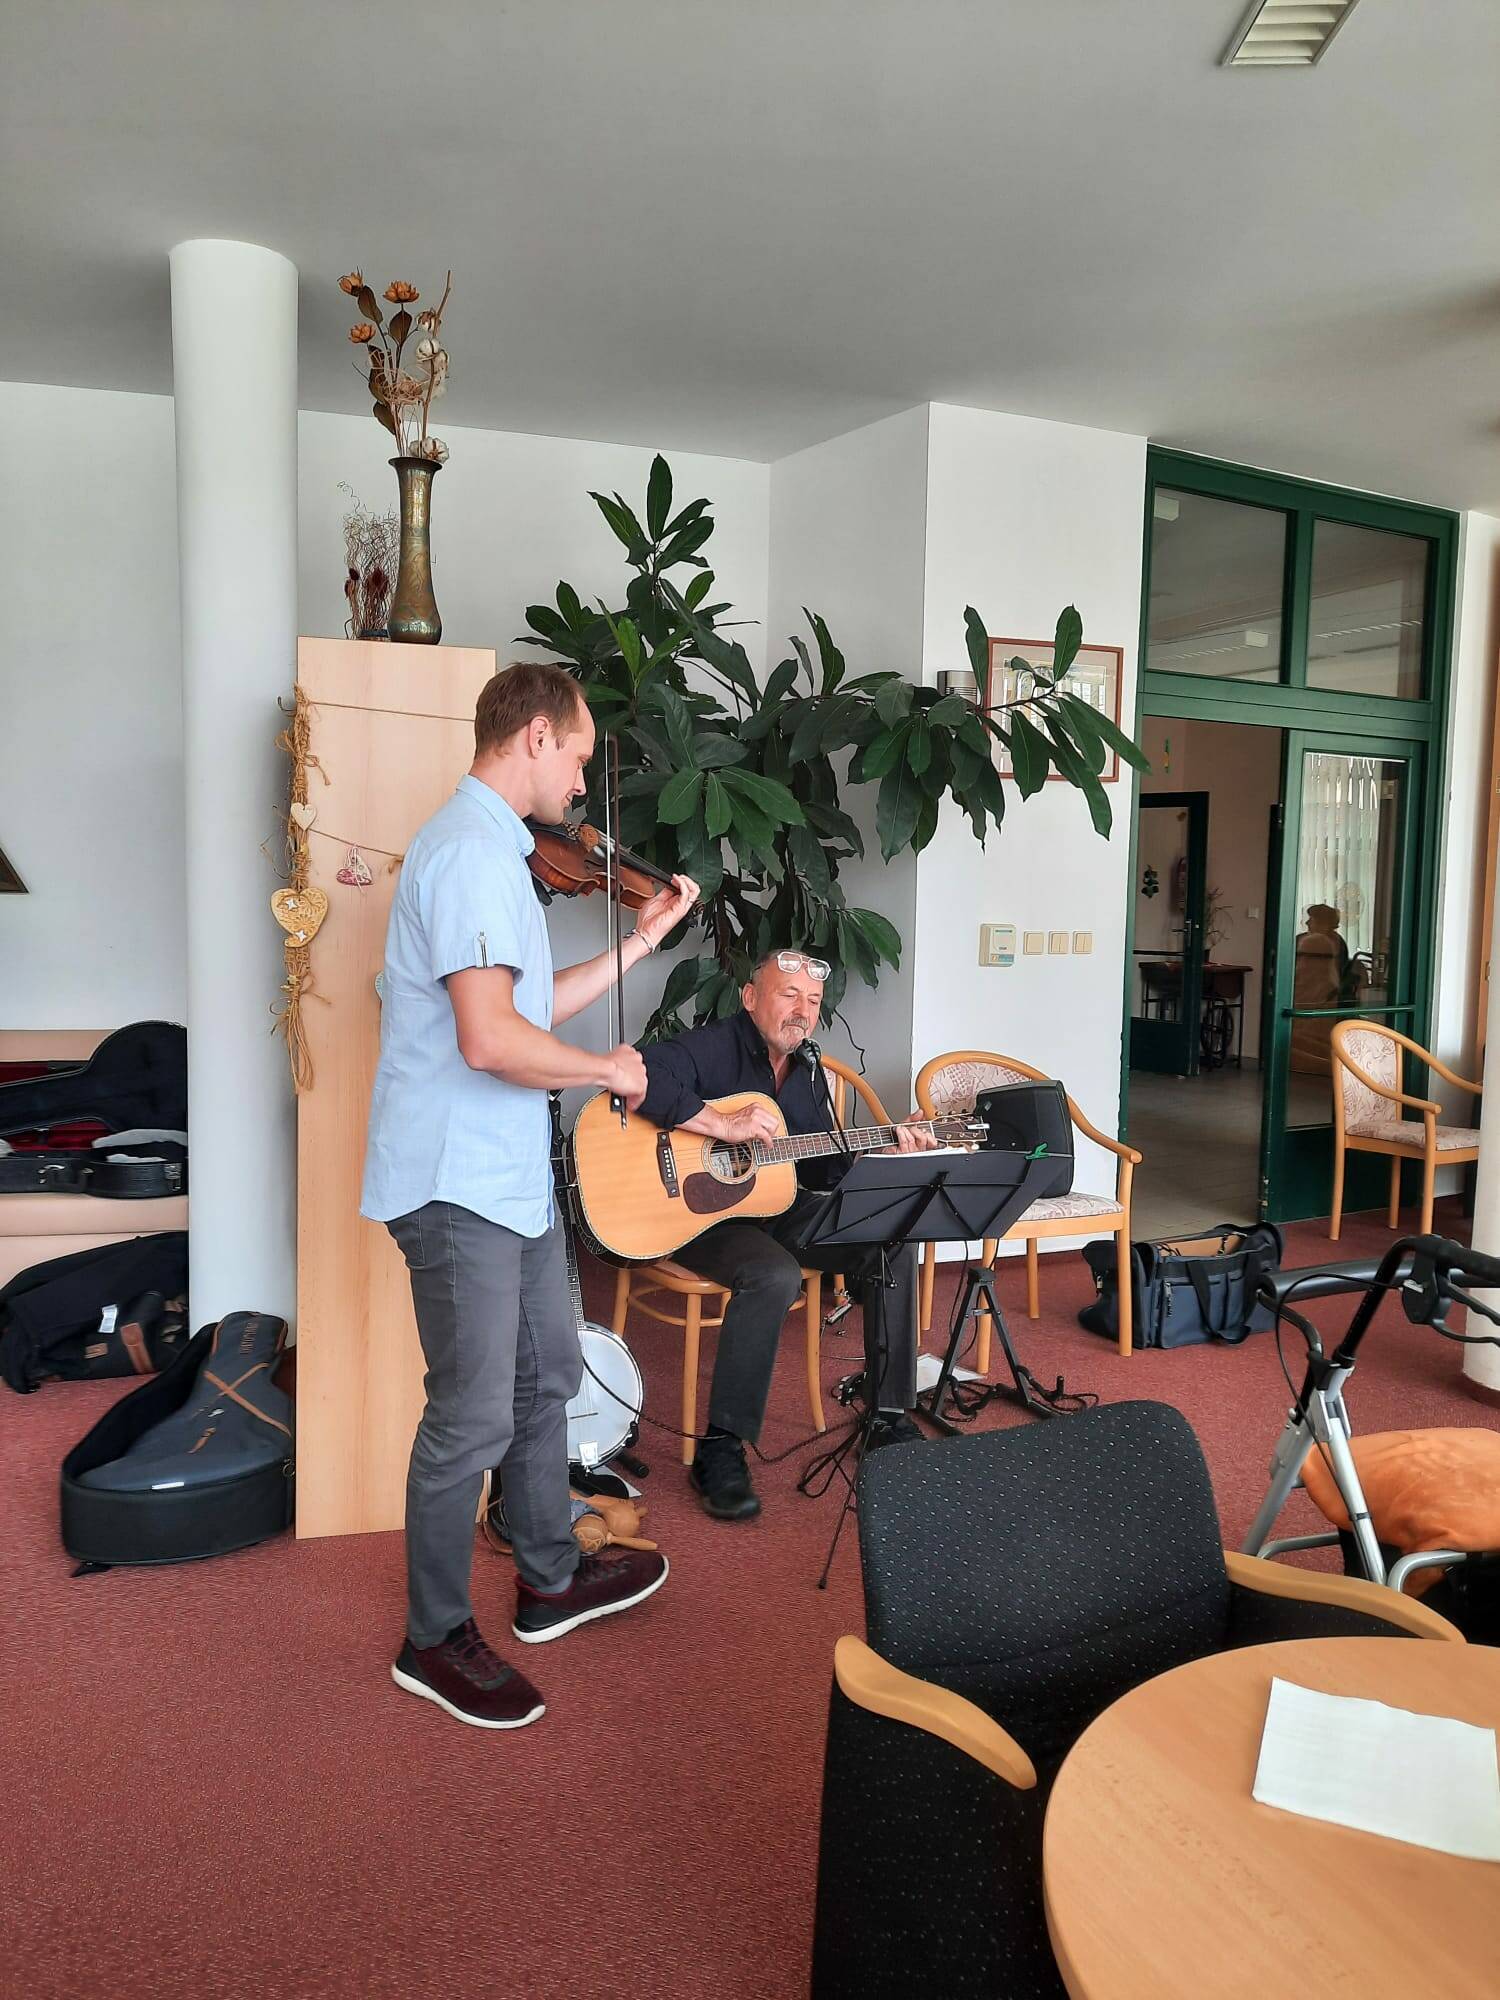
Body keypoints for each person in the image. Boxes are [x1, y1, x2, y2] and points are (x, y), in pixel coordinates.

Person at [361, 660, 698, 1729]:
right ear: (537, 736)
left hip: (508, 1178)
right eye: (581, 756)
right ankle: (432, 1638)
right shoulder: (467, 851)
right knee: (468, 1417)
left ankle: (549, 1577)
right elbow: (488, 1039)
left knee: (546, 1373)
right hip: (455, 1180)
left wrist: (641, 941)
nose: (584, 782)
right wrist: (606, 1071)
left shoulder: (500, 849)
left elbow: (527, 1004)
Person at [637, 949, 936, 1521]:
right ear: (751, 998)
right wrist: (719, 1124)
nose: (802, 1011)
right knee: (774, 1275)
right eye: (789, 995)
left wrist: (883, 1151)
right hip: (698, 1216)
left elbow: (827, 1170)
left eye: (814, 1001)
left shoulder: (808, 1070)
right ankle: (721, 1448)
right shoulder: (713, 1047)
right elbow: (637, 1076)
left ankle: (887, 1415)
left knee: (891, 1238)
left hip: (777, 1206)